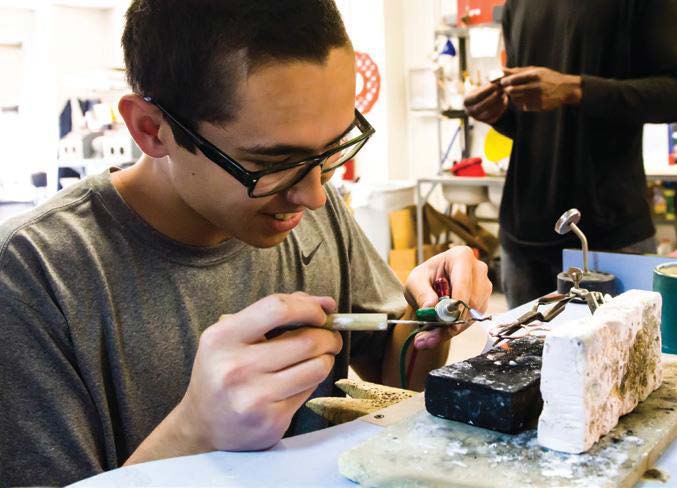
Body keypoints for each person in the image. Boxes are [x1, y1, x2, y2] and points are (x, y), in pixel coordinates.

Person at [0, 1, 491, 485]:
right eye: (273, 163)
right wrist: (195, 429)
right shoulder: (34, 274)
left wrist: (429, 316)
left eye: (332, 149)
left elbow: (393, 382)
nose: (315, 195)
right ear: (152, 130)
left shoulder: (309, 208)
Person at [464, 0, 677, 308]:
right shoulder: (517, 5)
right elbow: (534, 123)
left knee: (619, 356)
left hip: (606, 242)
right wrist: (495, 113)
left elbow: (671, 93)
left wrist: (576, 89)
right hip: (521, 241)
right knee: (523, 357)